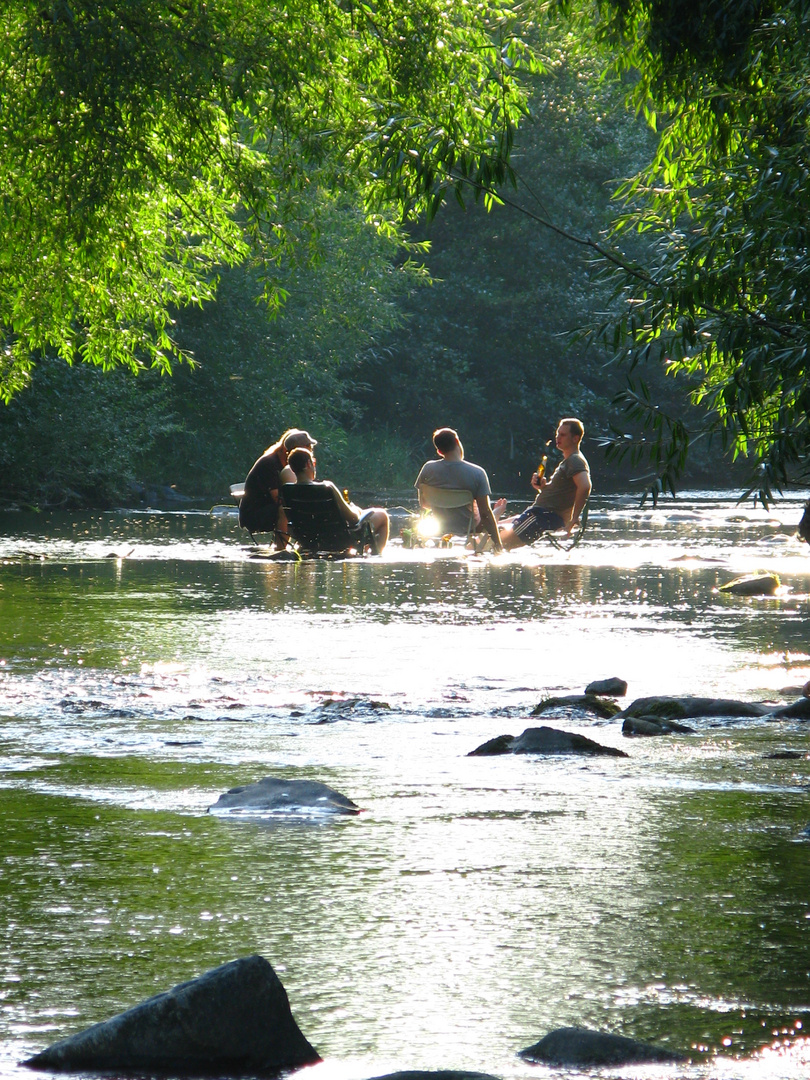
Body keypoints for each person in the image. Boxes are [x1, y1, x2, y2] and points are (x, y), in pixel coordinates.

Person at [498, 417, 591, 550]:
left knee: (497, 545)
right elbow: (562, 494)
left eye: (563, 435)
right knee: (493, 530)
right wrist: (543, 487)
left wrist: (574, 518)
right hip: (540, 515)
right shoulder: (569, 461)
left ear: (575, 438)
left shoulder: (575, 460)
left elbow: (585, 486)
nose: (558, 437)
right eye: (557, 434)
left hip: (543, 517)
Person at [414, 428, 504, 553]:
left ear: (439, 451)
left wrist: (446, 504)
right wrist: (498, 545)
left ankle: (496, 512)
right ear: (457, 441)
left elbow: (424, 504)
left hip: (440, 526)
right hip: (469, 528)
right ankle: (497, 513)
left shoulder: (427, 469)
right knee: (491, 518)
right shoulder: (477, 473)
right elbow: (485, 514)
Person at [286, 447, 390, 553]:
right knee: (382, 515)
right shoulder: (326, 487)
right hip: (338, 538)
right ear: (308, 464)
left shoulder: (287, 490)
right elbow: (353, 519)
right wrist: (356, 510)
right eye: (313, 462)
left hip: (307, 539)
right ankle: (376, 556)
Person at [238, 429, 317, 544]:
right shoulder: (270, 464)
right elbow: (278, 499)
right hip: (252, 515)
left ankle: (307, 544)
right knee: (285, 509)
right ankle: (281, 548)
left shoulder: (291, 467)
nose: (310, 452)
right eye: (308, 448)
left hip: (268, 508)